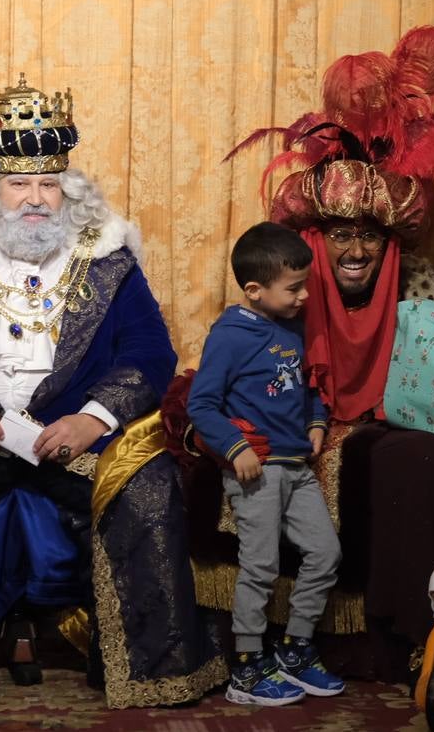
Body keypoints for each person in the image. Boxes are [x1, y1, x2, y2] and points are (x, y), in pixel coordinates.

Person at [194, 26, 434, 681]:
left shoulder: (417, 293)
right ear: (317, 240)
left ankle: (416, 630)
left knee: (419, 454)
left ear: (391, 243)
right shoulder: (287, 297)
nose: (355, 252)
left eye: (369, 238)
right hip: (301, 432)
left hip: (384, 419)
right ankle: (263, 649)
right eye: (341, 236)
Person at [0, 75, 224, 708]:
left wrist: (93, 417)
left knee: (144, 485)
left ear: (68, 191)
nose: (34, 198)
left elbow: (149, 352)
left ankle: (135, 658)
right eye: (18, 183)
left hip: (69, 431)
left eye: (48, 184)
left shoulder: (106, 254)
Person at [186, 221, 345, 706]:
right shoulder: (230, 336)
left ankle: (295, 648)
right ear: (254, 291)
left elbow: (307, 388)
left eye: (305, 287)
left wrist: (317, 421)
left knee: (325, 554)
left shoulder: (293, 329)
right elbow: (202, 405)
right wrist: (237, 449)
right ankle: (248, 665)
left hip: (296, 466)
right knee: (261, 566)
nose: (302, 297)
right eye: (293, 289)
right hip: (257, 471)